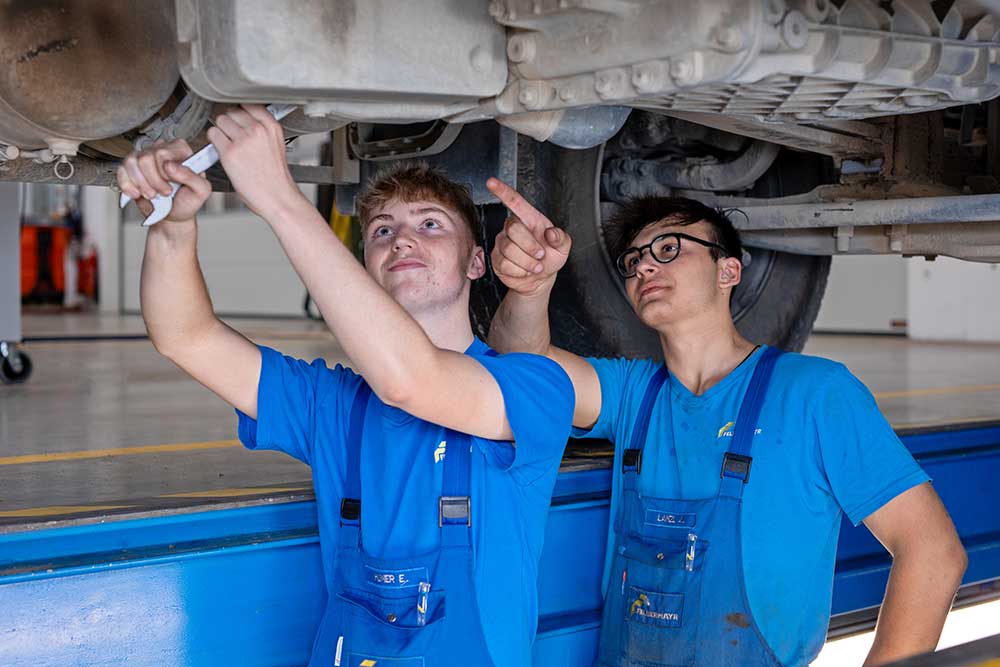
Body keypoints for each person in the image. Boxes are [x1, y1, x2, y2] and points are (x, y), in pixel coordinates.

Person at [116, 106, 575, 667]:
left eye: (430, 223)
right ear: (365, 265)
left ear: (476, 261)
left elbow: (410, 380)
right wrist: (171, 226)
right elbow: (184, 335)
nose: (403, 240)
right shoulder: (333, 404)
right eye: (383, 231)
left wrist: (281, 200)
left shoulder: (535, 388)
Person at [484, 180, 967, 667]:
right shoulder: (631, 394)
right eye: (631, 263)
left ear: (728, 270)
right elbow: (523, 368)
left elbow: (932, 550)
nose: (644, 265)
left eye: (668, 248)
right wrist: (531, 288)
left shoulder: (815, 393)